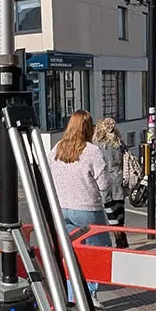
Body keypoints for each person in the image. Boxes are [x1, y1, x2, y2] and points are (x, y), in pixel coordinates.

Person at [49, 110, 112, 299]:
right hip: (87, 209)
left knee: (71, 254)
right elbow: (104, 183)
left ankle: (72, 296)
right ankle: (90, 295)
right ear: (88, 128)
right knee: (95, 253)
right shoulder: (91, 150)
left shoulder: (57, 149)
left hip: (61, 209)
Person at [93, 116, 128, 249]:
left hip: (105, 181)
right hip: (118, 179)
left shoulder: (97, 144)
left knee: (110, 211)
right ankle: (122, 238)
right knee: (120, 211)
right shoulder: (118, 142)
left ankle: (118, 237)